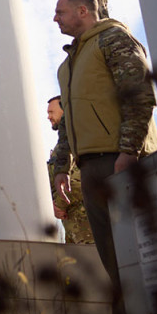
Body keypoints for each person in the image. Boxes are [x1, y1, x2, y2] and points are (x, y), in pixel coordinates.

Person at [51, 0, 157, 314]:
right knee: (113, 256)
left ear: (83, 11)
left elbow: (139, 94)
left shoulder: (113, 38)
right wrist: (63, 167)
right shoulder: (67, 66)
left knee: (142, 250)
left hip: (121, 160)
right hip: (90, 168)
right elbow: (67, 124)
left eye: (61, 12)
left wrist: (129, 150)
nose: (55, 19)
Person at [45, 96, 92, 245]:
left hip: (88, 224)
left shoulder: (80, 136)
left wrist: (59, 204)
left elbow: (82, 176)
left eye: (51, 112)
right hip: (73, 228)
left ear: (65, 110)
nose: (48, 117)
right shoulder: (60, 147)